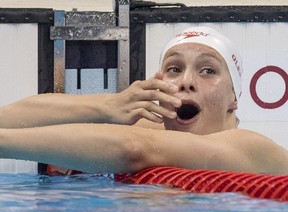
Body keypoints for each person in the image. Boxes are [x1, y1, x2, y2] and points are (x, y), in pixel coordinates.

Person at [0, 26, 287, 175]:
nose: (186, 80)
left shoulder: (252, 147)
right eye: (174, 69)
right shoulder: (157, 131)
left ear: (234, 98)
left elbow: (134, 149)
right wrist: (108, 107)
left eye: (207, 70)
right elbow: (14, 117)